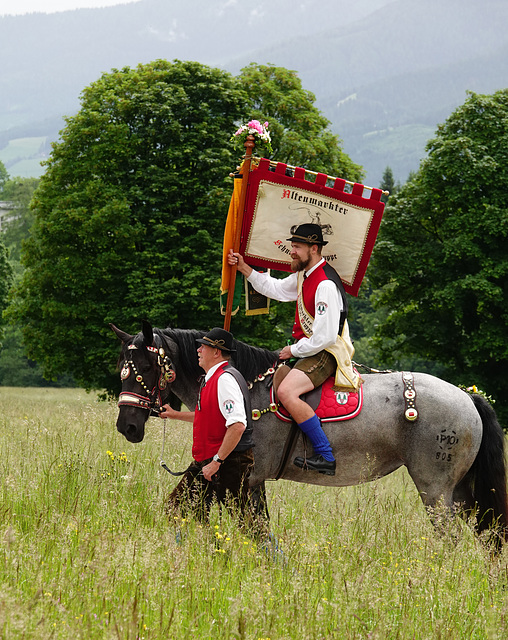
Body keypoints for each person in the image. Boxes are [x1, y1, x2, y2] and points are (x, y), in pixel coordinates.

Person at [229, 223, 360, 476]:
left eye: (297, 247)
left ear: (314, 248)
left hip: (326, 353)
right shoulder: (305, 274)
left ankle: (325, 455)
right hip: (310, 349)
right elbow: (276, 289)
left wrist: (293, 350)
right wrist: (244, 268)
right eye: (292, 246)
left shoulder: (324, 284)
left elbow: (324, 336)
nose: (292, 251)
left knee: (287, 391)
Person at [159, 327, 259, 528]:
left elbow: (237, 425)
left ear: (216, 352)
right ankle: (203, 551)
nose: (198, 350)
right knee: (176, 508)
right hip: (210, 461)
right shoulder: (213, 378)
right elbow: (208, 416)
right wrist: (174, 414)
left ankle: (274, 557)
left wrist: (217, 462)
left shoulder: (225, 380)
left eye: (203, 347)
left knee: (246, 522)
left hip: (227, 462)